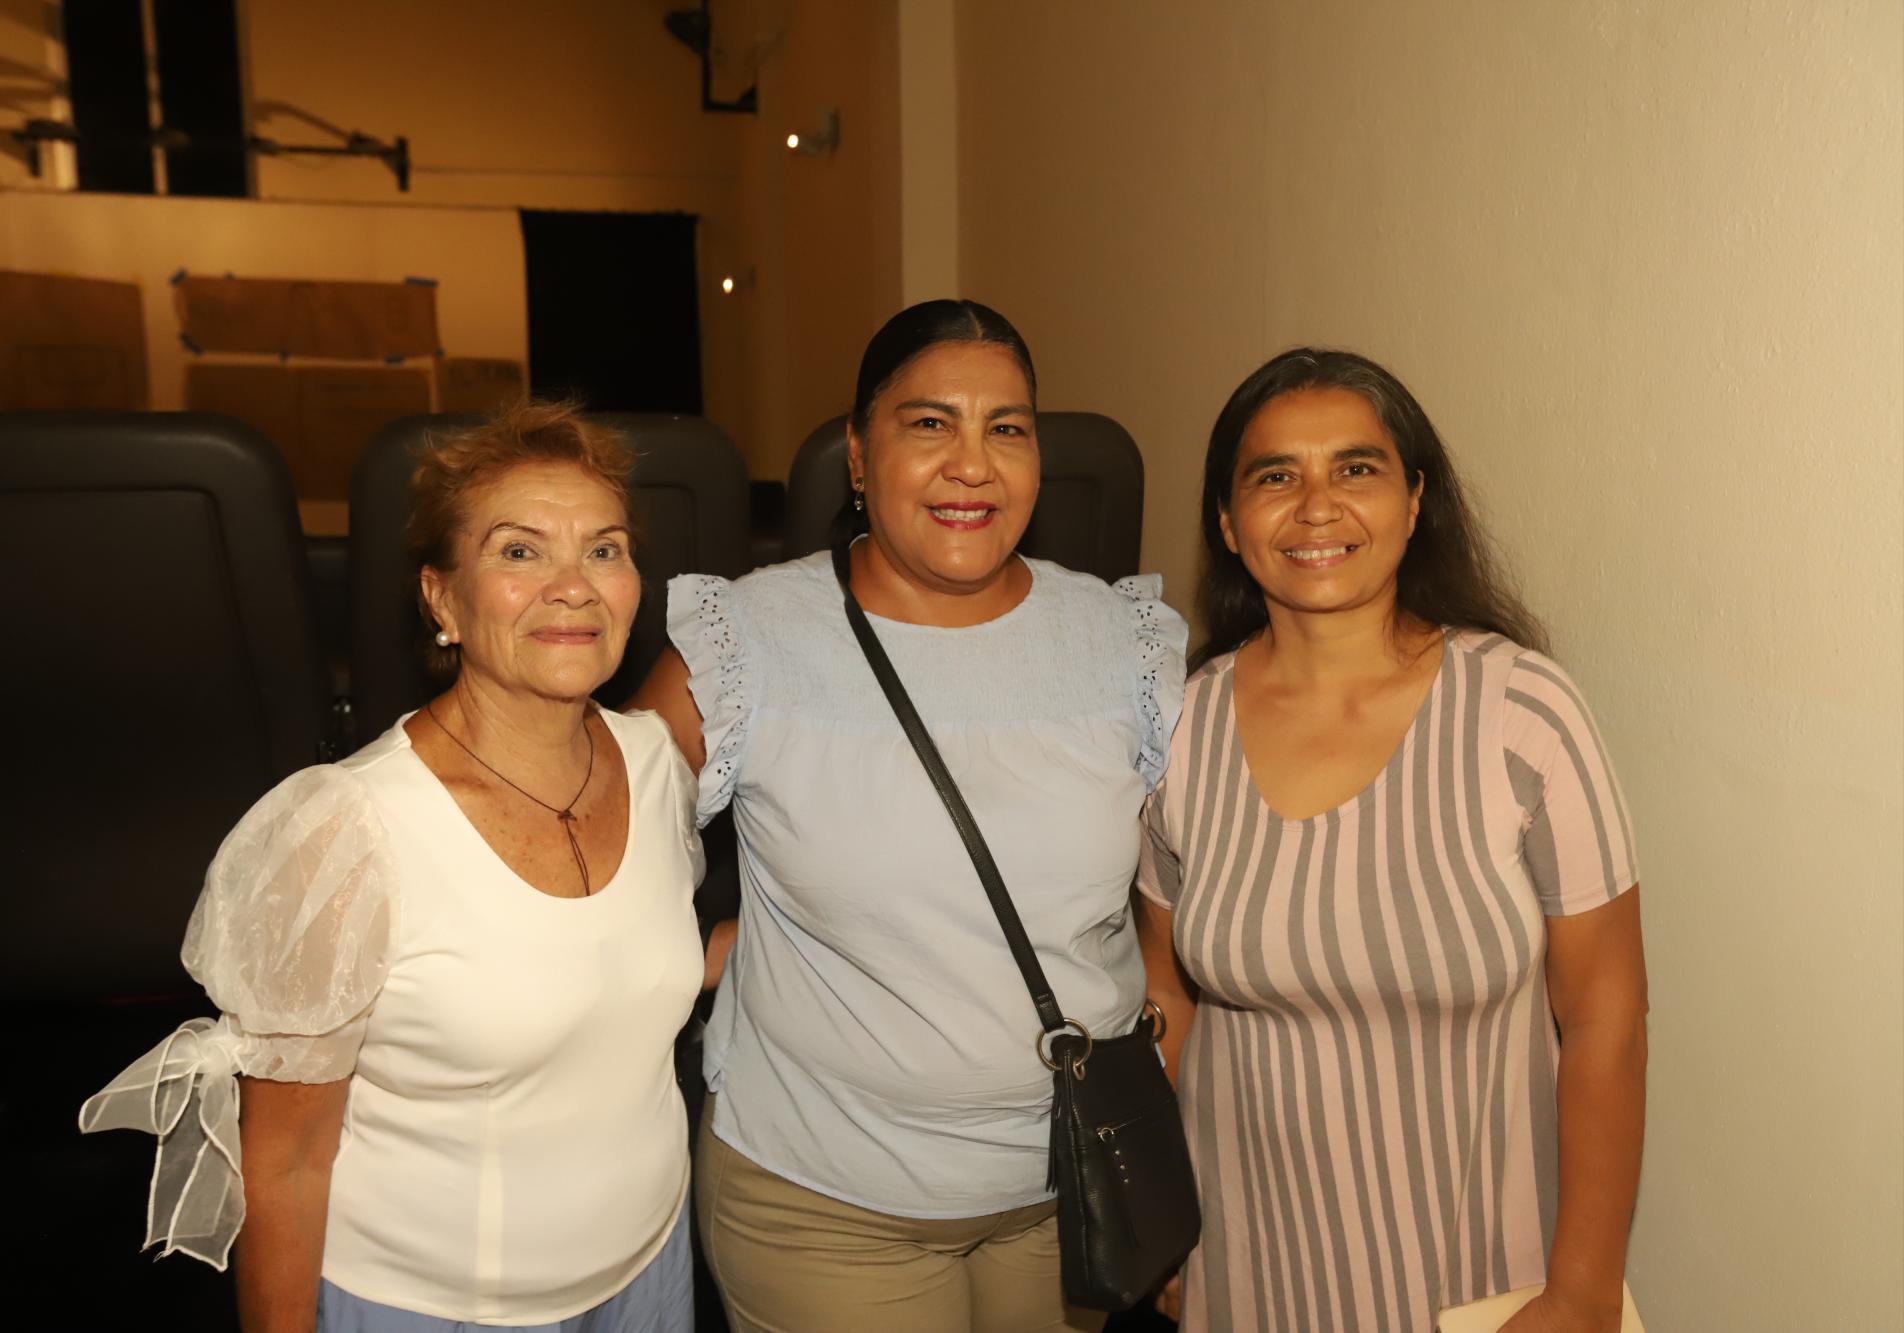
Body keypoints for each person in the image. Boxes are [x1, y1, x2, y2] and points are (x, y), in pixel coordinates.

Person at [81, 402, 706, 1333]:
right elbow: (286, 1159)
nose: (574, 586)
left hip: (652, 1273)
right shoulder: (345, 829)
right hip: (432, 1306)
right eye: (520, 551)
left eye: (604, 549)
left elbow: (613, 967)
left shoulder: (657, 766)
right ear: (442, 598)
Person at [633, 299, 1188, 1332]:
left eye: (1006, 428)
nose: (971, 463)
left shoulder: (1122, 645)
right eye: (928, 424)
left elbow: (1177, 899)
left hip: (1072, 1188)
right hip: (823, 1203)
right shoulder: (748, 641)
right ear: (856, 454)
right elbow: (585, 840)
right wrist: (709, 949)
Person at [1136, 349, 1648, 1333]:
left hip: (1485, 1284)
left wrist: (1581, 1288)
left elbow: (1605, 1014)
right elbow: (1166, 995)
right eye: (1274, 475)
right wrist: (1160, 1225)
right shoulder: (1176, 732)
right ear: (1227, 522)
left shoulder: (1522, 711)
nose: (1316, 506)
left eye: (1356, 469)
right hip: (1245, 1273)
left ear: (1414, 503)